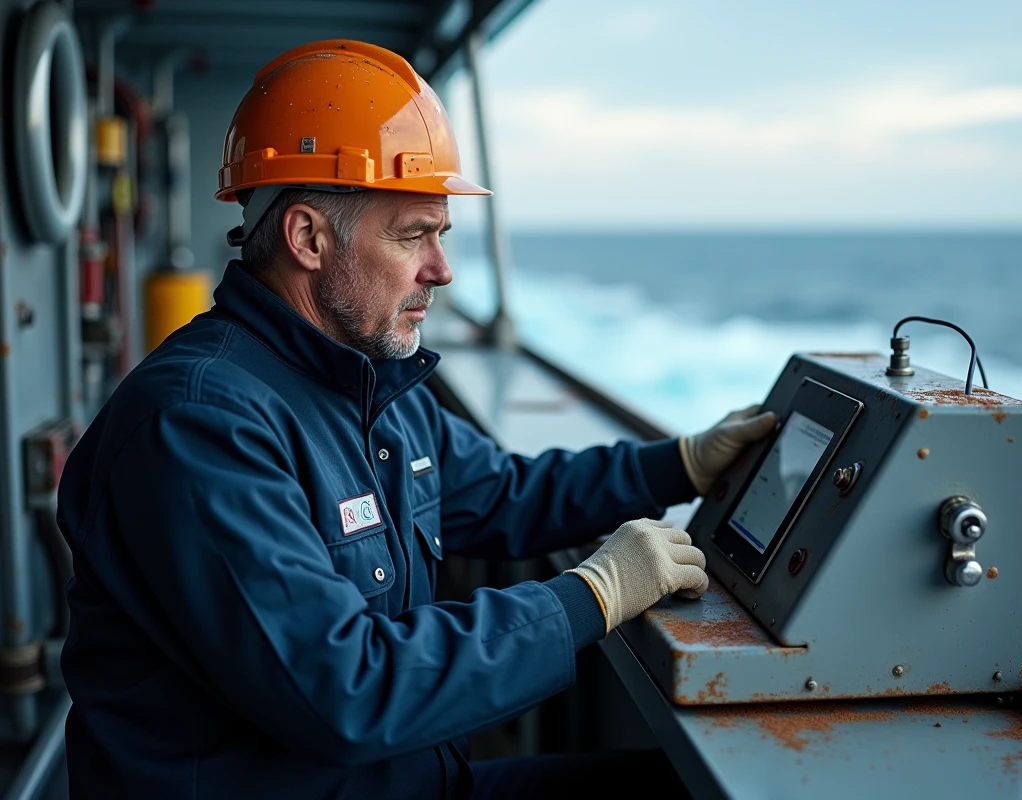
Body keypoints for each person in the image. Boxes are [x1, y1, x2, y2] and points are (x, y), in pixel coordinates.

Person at [56, 40, 776, 799]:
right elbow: (345, 690)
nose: (443, 268)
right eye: (413, 235)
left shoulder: (371, 385)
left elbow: (503, 494)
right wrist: (589, 596)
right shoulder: (197, 425)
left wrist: (684, 462)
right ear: (308, 238)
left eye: (442, 233)